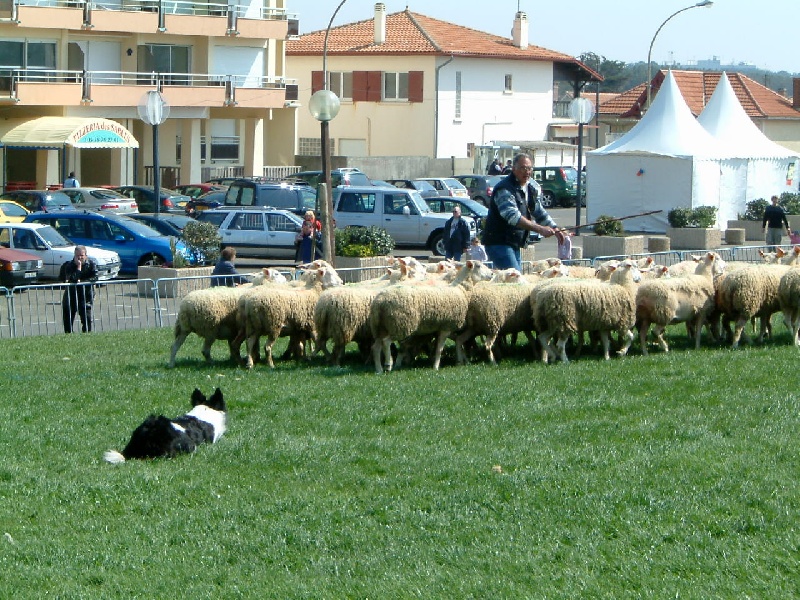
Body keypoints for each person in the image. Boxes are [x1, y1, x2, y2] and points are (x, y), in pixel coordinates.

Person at [483, 152, 566, 271]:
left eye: (529, 168)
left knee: (515, 279)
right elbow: (512, 216)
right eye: (523, 168)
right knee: (515, 280)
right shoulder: (504, 189)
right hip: (498, 243)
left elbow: (539, 212)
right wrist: (540, 229)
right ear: (514, 169)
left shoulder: (529, 188)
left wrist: (555, 228)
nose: (526, 172)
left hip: (513, 243)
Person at [60, 245, 97, 333]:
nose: (80, 258)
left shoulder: (91, 264)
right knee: (68, 321)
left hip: (85, 296)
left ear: (86, 256)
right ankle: (69, 338)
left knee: (87, 320)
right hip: (71, 296)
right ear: (74, 256)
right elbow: (73, 279)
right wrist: (79, 268)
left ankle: (86, 337)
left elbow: (95, 277)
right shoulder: (69, 265)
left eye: (82, 255)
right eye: (77, 256)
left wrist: (83, 281)